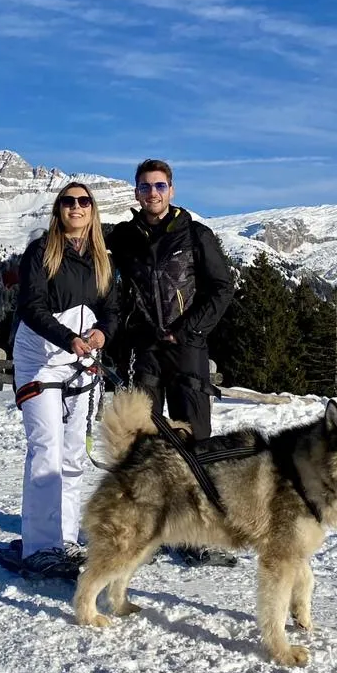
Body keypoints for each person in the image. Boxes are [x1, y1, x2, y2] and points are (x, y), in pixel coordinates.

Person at [107, 157, 235, 566]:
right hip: (144, 348)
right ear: (136, 192)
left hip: (187, 348)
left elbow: (221, 287)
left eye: (159, 186)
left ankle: (197, 537)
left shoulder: (196, 234)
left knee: (195, 437)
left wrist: (190, 330)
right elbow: (103, 281)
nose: (152, 194)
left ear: (172, 190)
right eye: (145, 187)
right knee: (144, 439)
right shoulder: (125, 237)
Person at [0, 181, 118, 580]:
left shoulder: (101, 260)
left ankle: (64, 538)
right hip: (40, 362)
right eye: (69, 201)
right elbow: (31, 306)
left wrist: (102, 333)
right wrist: (69, 339)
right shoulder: (41, 253)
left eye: (84, 201)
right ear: (58, 209)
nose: (76, 207)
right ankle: (40, 547)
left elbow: (113, 310)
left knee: (72, 455)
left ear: (93, 210)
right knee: (46, 449)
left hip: (81, 364)